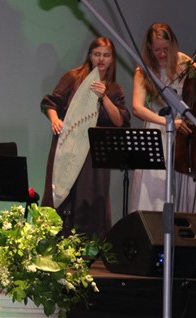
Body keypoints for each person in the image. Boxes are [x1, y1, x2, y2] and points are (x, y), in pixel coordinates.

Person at [40, 37, 130, 239]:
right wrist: (55, 120)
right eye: (97, 54)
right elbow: (50, 103)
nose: (101, 59)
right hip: (68, 146)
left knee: (89, 199)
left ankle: (88, 246)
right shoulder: (73, 78)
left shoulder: (114, 89)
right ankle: (56, 243)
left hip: (95, 153)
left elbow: (119, 121)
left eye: (106, 55)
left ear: (112, 59)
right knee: (63, 196)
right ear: (90, 55)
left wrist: (104, 96)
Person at [130, 22, 196, 213]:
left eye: (166, 49)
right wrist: (168, 123)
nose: (162, 54)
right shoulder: (144, 71)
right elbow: (137, 108)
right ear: (149, 48)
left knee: (183, 195)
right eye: (157, 50)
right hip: (157, 130)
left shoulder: (184, 62)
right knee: (154, 194)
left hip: (183, 135)